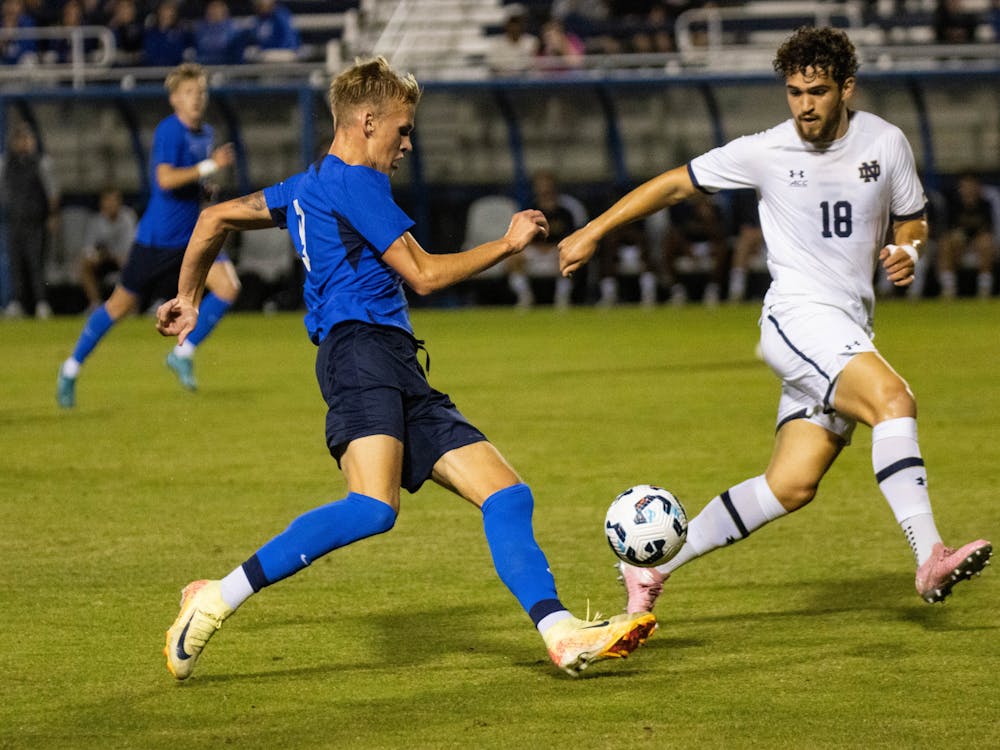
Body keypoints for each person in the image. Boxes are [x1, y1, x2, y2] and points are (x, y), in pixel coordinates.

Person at [156, 56, 655, 682]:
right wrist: (507, 244)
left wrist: (191, 296)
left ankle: (561, 634)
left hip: (391, 359)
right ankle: (213, 599)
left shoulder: (309, 185)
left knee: (506, 493)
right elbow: (423, 274)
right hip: (358, 353)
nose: (407, 143)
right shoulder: (357, 184)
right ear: (367, 121)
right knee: (372, 507)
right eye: (403, 128)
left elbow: (214, 217)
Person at [558, 27, 992, 614]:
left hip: (847, 327)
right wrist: (591, 230)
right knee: (894, 399)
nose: (804, 105)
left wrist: (909, 251)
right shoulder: (765, 150)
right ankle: (929, 555)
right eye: (793, 92)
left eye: (816, 92)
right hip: (797, 319)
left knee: (790, 485)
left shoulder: (886, 143)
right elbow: (672, 186)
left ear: (846, 88)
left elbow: (911, 218)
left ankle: (649, 570)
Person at [56, 62, 238, 407]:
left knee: (229, 287)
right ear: (174, 99)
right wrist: (209, 167)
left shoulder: (207, 133)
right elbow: (166, 180)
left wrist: (205, 187)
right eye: (189, 93)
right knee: (119, 306)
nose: (197, 98)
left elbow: (191, 181)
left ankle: (182, 353)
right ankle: (70, 368)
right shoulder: (170, 131)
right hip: (157, 240)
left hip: (190, 238)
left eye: (201, 91)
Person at [1, 124, 58, 319]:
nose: (23, 143)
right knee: (16, 263)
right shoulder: (6, 163)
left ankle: (42, 303)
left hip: (35, 221)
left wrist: (52, 215)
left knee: (36, 263)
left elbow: (52, 193)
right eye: (19, 139)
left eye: (26, 138)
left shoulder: (41, 162)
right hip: (14, 220)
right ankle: (18, 302)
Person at [506, 169, 585, 309]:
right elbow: (521, 236)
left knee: (569, 255)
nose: (544, 189)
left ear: (554, 187)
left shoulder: (566, 211)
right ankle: (525, 297)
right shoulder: (530, 210)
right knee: (513, 259)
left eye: (547, 185)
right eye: (540, 185)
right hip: (534, 251)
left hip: (557, 250)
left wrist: (554, 247)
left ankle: (562, 298)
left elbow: (574, 237)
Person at [936, 171, 997, 300]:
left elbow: (987, 230)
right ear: (960, 188)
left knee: (986, 242)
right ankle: (948, 289)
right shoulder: (952, 204)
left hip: (979, 246)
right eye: (966, 186)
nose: (969, 189)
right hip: (957, 245)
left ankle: (984, 289)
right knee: (946, 243)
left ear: (978, 187)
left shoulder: (985, 204)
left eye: (972, 185)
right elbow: (947, 230)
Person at [78, 186, 138, 309]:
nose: (110, 204)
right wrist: (96, 256)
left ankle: (131, 307)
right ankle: (95, 304)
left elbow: (132, 247)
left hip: (124, 260)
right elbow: (88, 249)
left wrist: (115, 256)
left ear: (119, 202)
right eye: (107, 200)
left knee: (132, 263)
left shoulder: (128, 217)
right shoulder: (96, 221)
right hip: (104, 261)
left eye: (113, 200)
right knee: (85, 264)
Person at [485, 3, 539, 76]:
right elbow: (494, 67)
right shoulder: (496, 43)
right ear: (506, 23)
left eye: (519, 21)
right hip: (502, 83)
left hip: (526, 84)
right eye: (513, 21)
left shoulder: (532, 41)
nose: (516, 26)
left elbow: (532, 66)